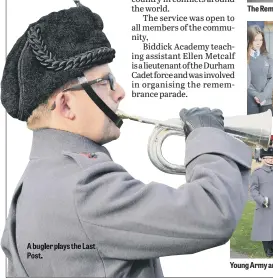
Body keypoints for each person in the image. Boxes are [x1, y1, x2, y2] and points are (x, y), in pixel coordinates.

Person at [0, 4, 252, 278]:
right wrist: (208, 139)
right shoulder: (84, 188)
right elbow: (214, 214)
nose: (120, 92)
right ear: (66, 106)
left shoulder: (31, 185)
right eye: (106, 82)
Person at [250, 148, 273, 257]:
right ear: (263, 159)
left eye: (272, 158)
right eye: (268, 158)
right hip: (265, 206)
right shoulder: (257, 173)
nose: (270, 160)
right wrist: (262, 200)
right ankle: (268, 251)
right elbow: (253, 190)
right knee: (265, 229)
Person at [247, 25, 273, 115]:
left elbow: (271, 78)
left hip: (267, 102)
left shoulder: (267, 56)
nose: (259, 43)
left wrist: (263, 96)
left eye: (261, 40)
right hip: (251, 102)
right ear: (249, 40)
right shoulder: (246, 58)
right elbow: (246, 82)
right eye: (255, 40)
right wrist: (256, 95)